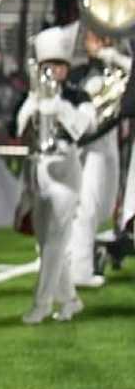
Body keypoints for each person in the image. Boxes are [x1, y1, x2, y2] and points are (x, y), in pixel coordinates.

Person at [14, 22, 95, 324]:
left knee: (54, 241)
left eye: (59, 65)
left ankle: (42, 304)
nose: (54, 71)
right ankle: (70, 300)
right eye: (48, 65)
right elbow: (18, 128)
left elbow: (86, 127)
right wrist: (35, 102)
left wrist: (58, 107)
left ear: (67, 67)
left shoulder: (78, 95)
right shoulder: (33, 94)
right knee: (46, 242)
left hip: (65, 172)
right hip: (38, 171)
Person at [67, 28, 122, 288]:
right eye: (93, 39)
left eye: (103, 38)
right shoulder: (78, 73)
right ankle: (80, 269)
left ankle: (74, 261)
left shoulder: (117, 71)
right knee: (86, 205)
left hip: (107, 145)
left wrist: (114, 57)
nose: (98, 44)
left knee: (103, 206)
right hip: (87, 146)